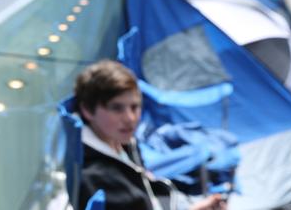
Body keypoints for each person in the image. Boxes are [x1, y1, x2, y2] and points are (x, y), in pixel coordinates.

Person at [74, 60, 227, 210]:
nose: (130, 118)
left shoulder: (124, 143)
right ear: (87, 110)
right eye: (116, 108)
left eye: (135, 107)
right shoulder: (92, 179)